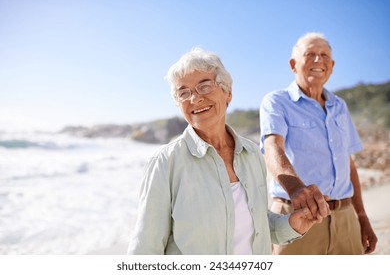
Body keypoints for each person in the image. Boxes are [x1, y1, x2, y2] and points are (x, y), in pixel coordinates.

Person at [128, 48, 329, 255]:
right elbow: (145, 248)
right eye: (183, 93)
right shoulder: (165, 162)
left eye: (204, 86)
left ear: (228, 92)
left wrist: (291, 225)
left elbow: (256, 224)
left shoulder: (251, 155)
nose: (195, 99)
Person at [260, 32, 377, 255]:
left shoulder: (339, 106)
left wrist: (361, 217)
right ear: (293, 64)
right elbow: (273, 147)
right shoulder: (277, 101)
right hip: (297, 215)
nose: (318, 60)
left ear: (331, 65)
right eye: (310, 54)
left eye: (324, 55)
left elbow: (348, 163)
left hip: (345, 218)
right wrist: (296, 189)